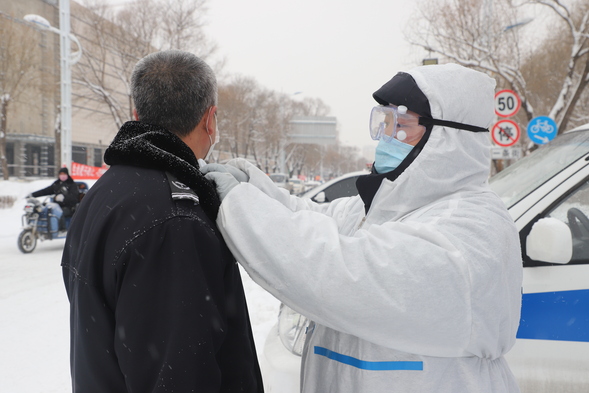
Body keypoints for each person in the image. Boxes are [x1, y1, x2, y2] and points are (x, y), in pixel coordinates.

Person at [202, 63, 523, 392]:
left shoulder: (473, 230)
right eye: (382, 121)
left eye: (400, 124)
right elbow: (310, 217)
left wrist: (239, 206)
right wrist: (252, 187)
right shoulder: (384, 208)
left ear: (446, 137)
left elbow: (339, 270)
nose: (385, 136)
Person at [61, 50, 263, 393]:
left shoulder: (106, 192)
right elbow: (180, 375)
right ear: (210, 119)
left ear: (137, 114)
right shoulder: (176, 222)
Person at [29, 167, 79, 232]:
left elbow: (74, 197)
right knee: (43, 211)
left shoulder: (72, 184)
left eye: (64, 174)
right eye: (61, 174)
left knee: (60, 212)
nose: (62, 175)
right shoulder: (56, 184)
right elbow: (45, 191)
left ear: (67, 174)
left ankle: (62, 229)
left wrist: (64, 198)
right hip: (56, 206)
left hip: (69, 207)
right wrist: (33, 195)